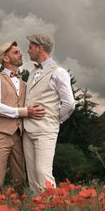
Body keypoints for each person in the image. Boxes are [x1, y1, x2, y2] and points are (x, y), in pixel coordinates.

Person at [0, 41, 45, 194]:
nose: (21, 54)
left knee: (20, 179)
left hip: (19, 135)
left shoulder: (25, 84)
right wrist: (23, 112)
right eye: (16, 52)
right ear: (5, 58)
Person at [23, 34, 75, 194]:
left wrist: (54, 119)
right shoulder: (33, 72)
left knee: (42, 172)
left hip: (46, 130)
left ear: (40, 48)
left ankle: (53, 209)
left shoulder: (59, 72)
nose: (28, 50)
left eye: (31, 47)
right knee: (32, 176)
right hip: (27, 130)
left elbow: (69, 103)